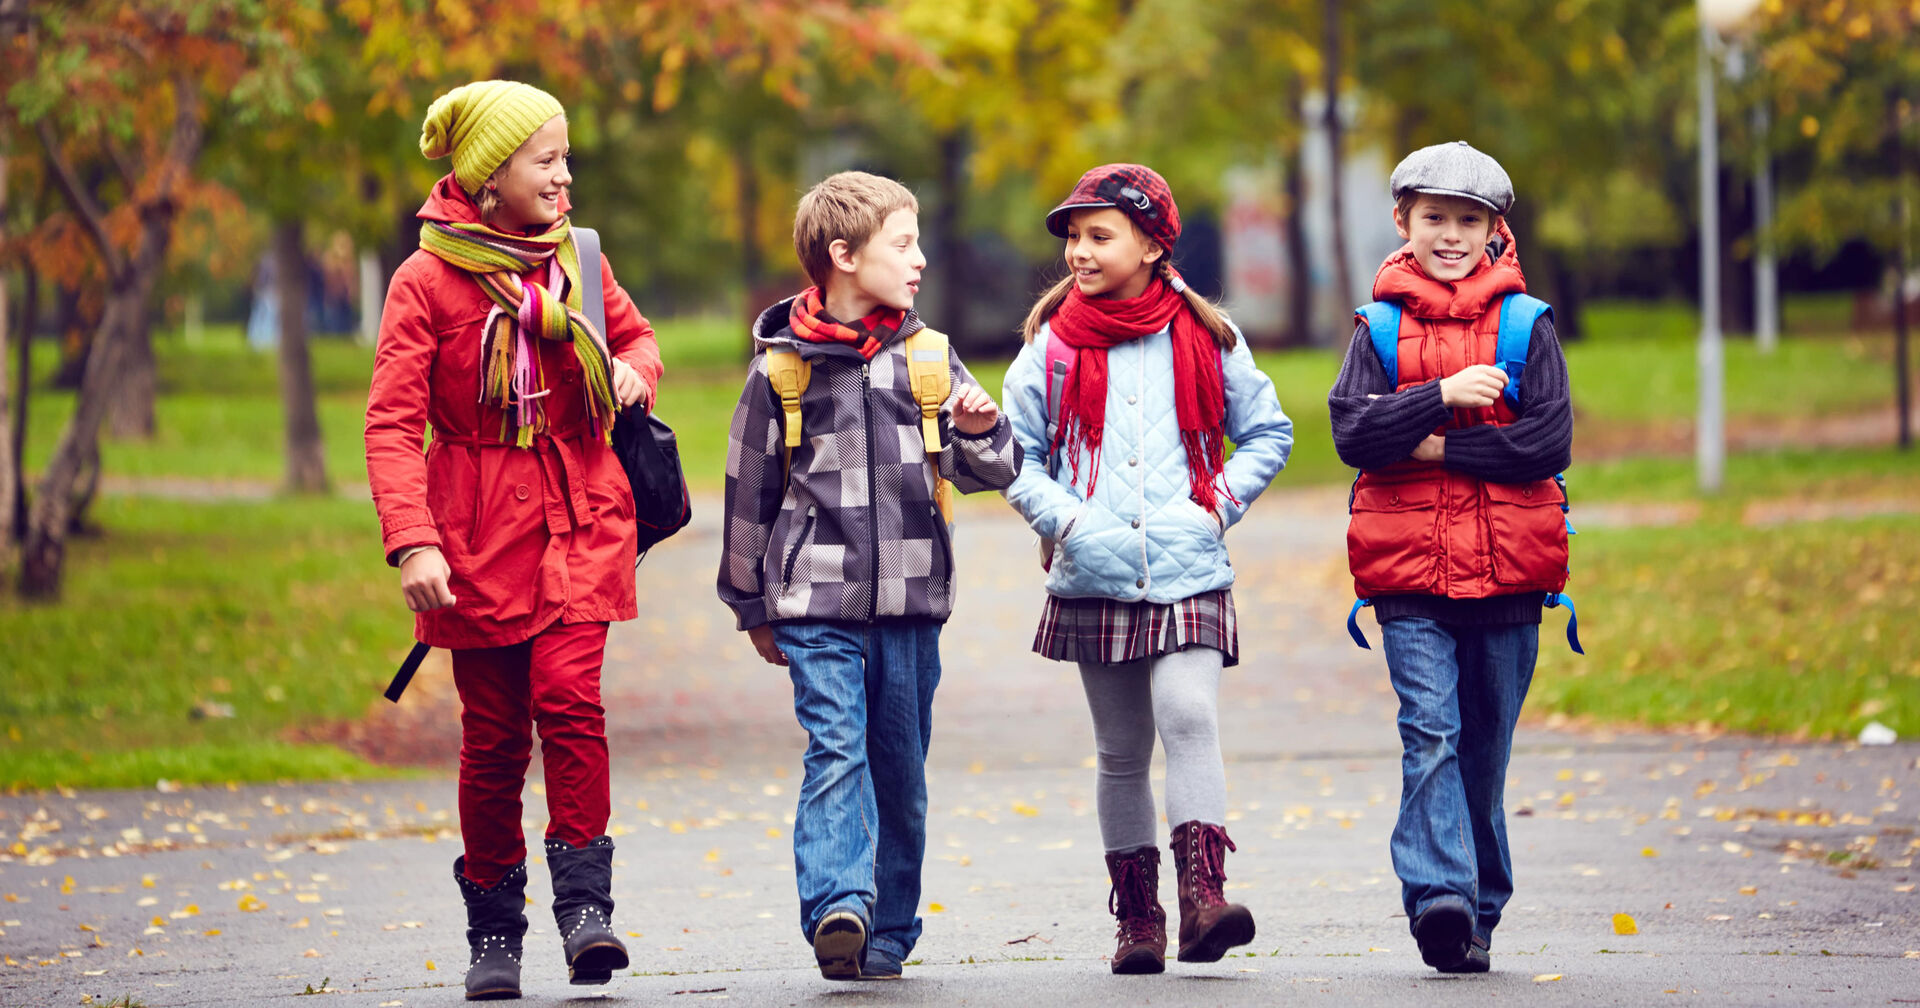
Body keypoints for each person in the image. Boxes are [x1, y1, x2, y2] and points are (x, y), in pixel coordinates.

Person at [364, 80, 661, 1000]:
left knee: (572, 704)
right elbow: (390, 424)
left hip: (581, 513)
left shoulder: (580, 258)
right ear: (490, 178)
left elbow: (642, 341)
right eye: (549, 161)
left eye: (567, 159)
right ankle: (494, 933)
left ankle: (586, 912)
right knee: (493, 740)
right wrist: (414, 542)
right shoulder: (425, 280)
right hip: (476, 531)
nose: (566, 178)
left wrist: (631, 371)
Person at [715, 170, 1019, 981]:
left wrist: (984, 433)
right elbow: (749, 494)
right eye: (903, 243)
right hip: (816, 600)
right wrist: (752, 606)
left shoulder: (929, 359)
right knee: (837, 749)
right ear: (843, 256)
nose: (918, 260)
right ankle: (837, 907)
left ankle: (886, 927)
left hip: (914, 602)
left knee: (900, 768)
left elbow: (993, 467)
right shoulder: (782, 371)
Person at [999, 164, 1293, 974]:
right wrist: (1067, 521)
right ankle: (1139, 921)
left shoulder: (1208, 339)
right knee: (1122, 750)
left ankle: (1204, 900)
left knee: (1188, 714)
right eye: (1072, 237)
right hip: (1094, 571)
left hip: (1190, 565)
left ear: (1153, 244)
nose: (1079, 252)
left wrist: (1214, 508)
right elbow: (1010, 457)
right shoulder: (1050, 348)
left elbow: (1269, 432)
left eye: (1099, 235)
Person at [1327, 141, 1574, 975]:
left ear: (1496, 231)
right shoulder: (1380, 328)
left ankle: (1481, 908)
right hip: (1408, 579)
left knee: (1484, 749)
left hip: (1510, 575)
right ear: (1403, 223)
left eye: (1470, 220)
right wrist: (1439, 396)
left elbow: (1545, 443)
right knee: (1429, 730)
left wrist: (1431, 449)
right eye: (1435, 218)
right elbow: (1352, 431)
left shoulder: (1526, 325)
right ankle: (1439, 897)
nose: (1452, 235)